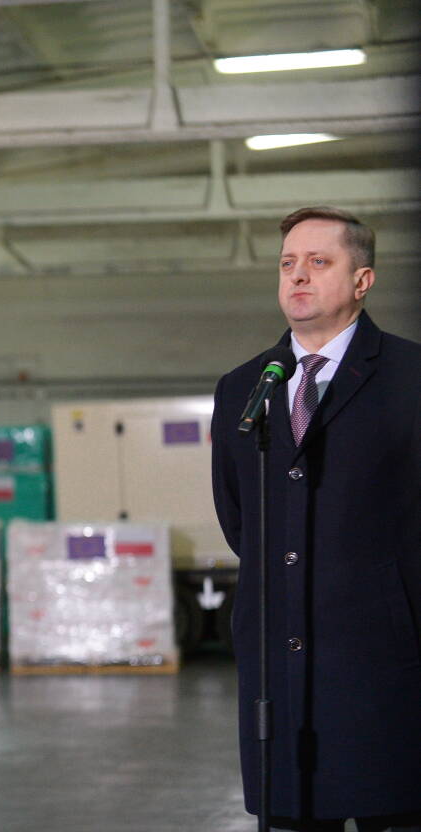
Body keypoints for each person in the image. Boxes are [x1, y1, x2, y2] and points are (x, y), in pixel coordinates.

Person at [211, 207, 421, 832]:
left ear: (362, 280)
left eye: (318, 261)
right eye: (287, 264)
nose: (297, 275)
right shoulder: (243, 387)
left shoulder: (411, 378)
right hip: (278, 666)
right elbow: (239, 516)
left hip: (386, 661)